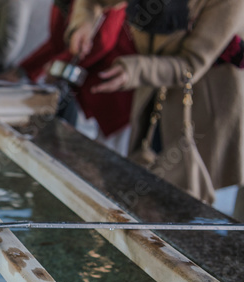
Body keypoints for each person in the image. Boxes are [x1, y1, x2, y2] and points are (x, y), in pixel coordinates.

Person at [69, 0, 244, 204]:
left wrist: (132, 70)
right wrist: (84, 23)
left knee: (194, 198)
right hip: (151, 96)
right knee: (145, 191)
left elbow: (190, 65)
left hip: (202, 110)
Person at [17, 0, 133, 144]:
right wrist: (24, 71)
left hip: (112, 92)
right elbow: (57, 43)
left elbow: (102, 42)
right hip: (83, 94)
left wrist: (56, 66)